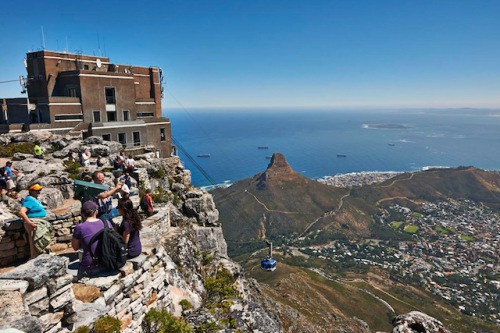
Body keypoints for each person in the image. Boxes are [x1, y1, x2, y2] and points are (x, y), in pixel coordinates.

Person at [72, 200, 113, 278]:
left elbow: (75, 247)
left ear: (82, 213)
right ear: (96, 212)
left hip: (90, 267)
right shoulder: (107, 223)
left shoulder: (80, 227)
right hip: (108, 262)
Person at [18, 184, 47, 259]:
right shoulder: (30, 200)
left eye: (39, 190)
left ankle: (41, 257)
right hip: (33, 223)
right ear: (31, 191)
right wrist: (29, 222)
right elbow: (21, 212)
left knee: (40, 240)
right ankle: (34, 258)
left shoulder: (35, 199)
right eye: (37, 190)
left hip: (38, 222)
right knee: (35, 242)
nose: (39, 192)